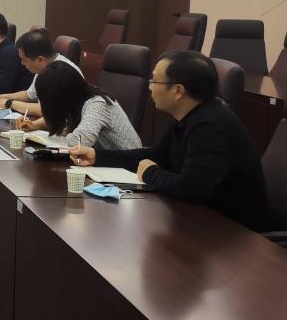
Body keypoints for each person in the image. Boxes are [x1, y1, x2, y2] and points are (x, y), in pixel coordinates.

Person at [70, 50, 269, 231]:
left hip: (238, 231)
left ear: (178, 91)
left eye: (155, 81)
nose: (150, 87)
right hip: (202, 219)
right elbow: (155, 155)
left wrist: (151, 172)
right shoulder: (188, 115)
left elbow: (191, 188)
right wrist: (98, 156)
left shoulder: (210, 126)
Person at [31, 61, 140, 150]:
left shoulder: (97, 105)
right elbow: (63, 120)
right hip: (105, 162)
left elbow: (79, 143)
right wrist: (36, 125)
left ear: (60, 96)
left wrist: (66, 134)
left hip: (128, 166)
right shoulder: (78, 98)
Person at [0, 28, 81, 117]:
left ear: (40, 59)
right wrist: (0, 97)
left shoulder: (61, 72)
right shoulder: (45, 65)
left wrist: (9, 103)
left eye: (24, 60)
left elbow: (47, 111)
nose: (22, 63)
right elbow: (29, 95)